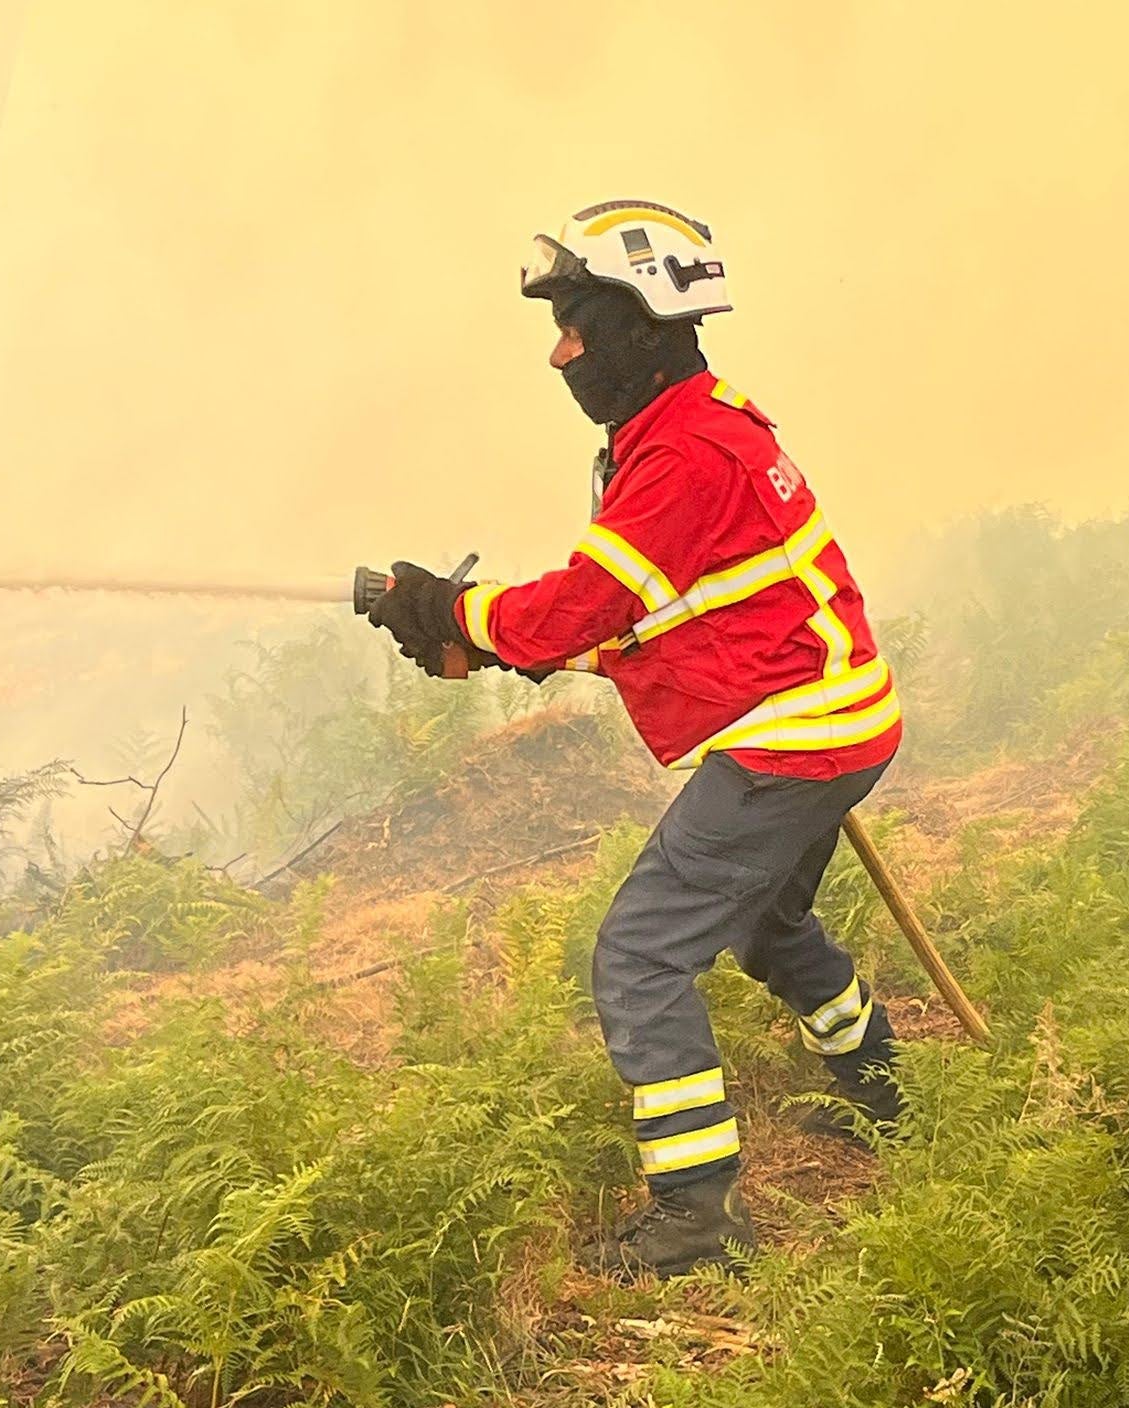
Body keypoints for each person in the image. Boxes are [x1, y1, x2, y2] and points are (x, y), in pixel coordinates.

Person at [365, 200, 904, 1279]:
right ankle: (883, 1094)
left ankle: (694, 1219)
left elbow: (582, 608)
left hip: (793, 738)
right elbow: (655, 626)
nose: (559, 350)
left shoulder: (687, 455)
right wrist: (484, 642)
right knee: (765, 927)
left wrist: (453, 612)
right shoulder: (685, 428)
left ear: (645, 323)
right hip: (828, 717)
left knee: (639, 954)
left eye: (575, 322)